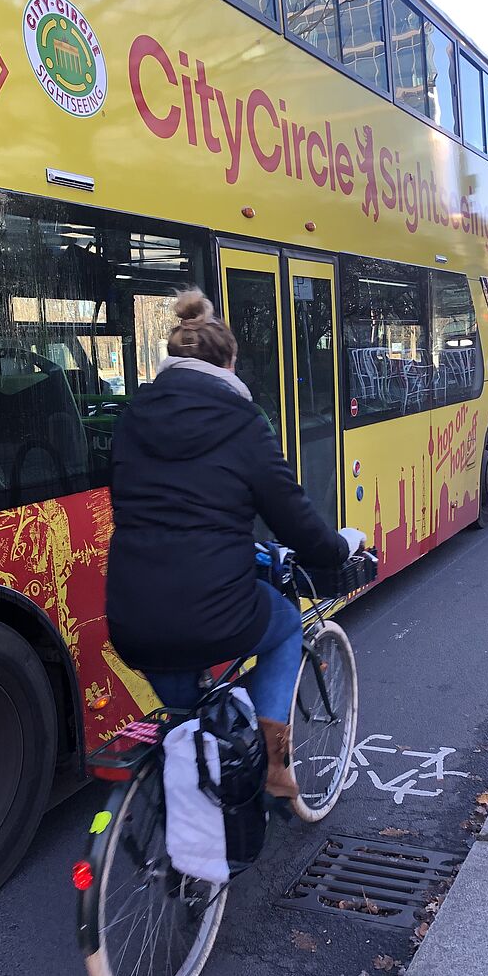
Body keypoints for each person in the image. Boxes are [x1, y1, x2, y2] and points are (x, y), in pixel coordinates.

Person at [106, 288, 366, 799]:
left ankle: (182, 809)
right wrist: (339, 547)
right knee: (285, 624)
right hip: (213, 610)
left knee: (188, 728)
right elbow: (292, 517)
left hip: (132, 614)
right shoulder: (242, 422)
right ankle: (274, 766)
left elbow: (152, 514)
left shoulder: (132, 416)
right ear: (228, 364)